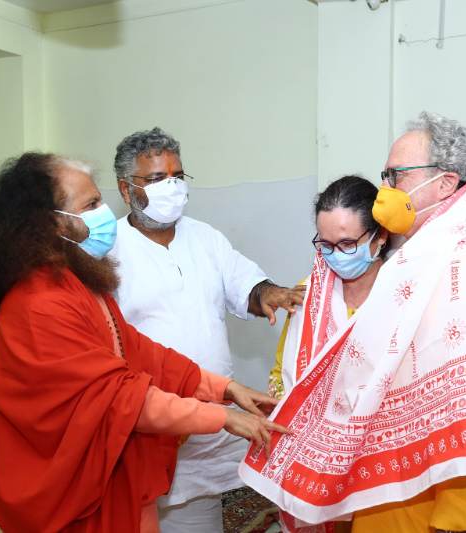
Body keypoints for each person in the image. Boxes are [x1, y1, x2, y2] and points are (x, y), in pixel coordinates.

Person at [242, 112, 466, 532]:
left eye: (397, 176)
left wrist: (456, 520)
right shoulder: (428, 258)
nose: (385, 193)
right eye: (385, 176)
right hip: (394, 496)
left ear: (445, 182)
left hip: (434, 512)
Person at [0, 152, 287, 532]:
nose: (104, 213)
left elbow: (136, 350)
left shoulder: (77, 280)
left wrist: (223, 388)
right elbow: (120, 397)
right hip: (71, 485)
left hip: (116, 466)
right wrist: (222, 417)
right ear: (50, 223)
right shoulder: (39, 303)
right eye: (91, 204)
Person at [110, 127, 304, 533]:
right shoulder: (108, 251)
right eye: (157, 179)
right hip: (148, 420)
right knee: (135, 510)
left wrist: (269, 293)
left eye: (177, 176)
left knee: (198, 515)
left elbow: (244, 284)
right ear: (126, 189)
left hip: (209, 418)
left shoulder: (204, 237)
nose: (172, 187)